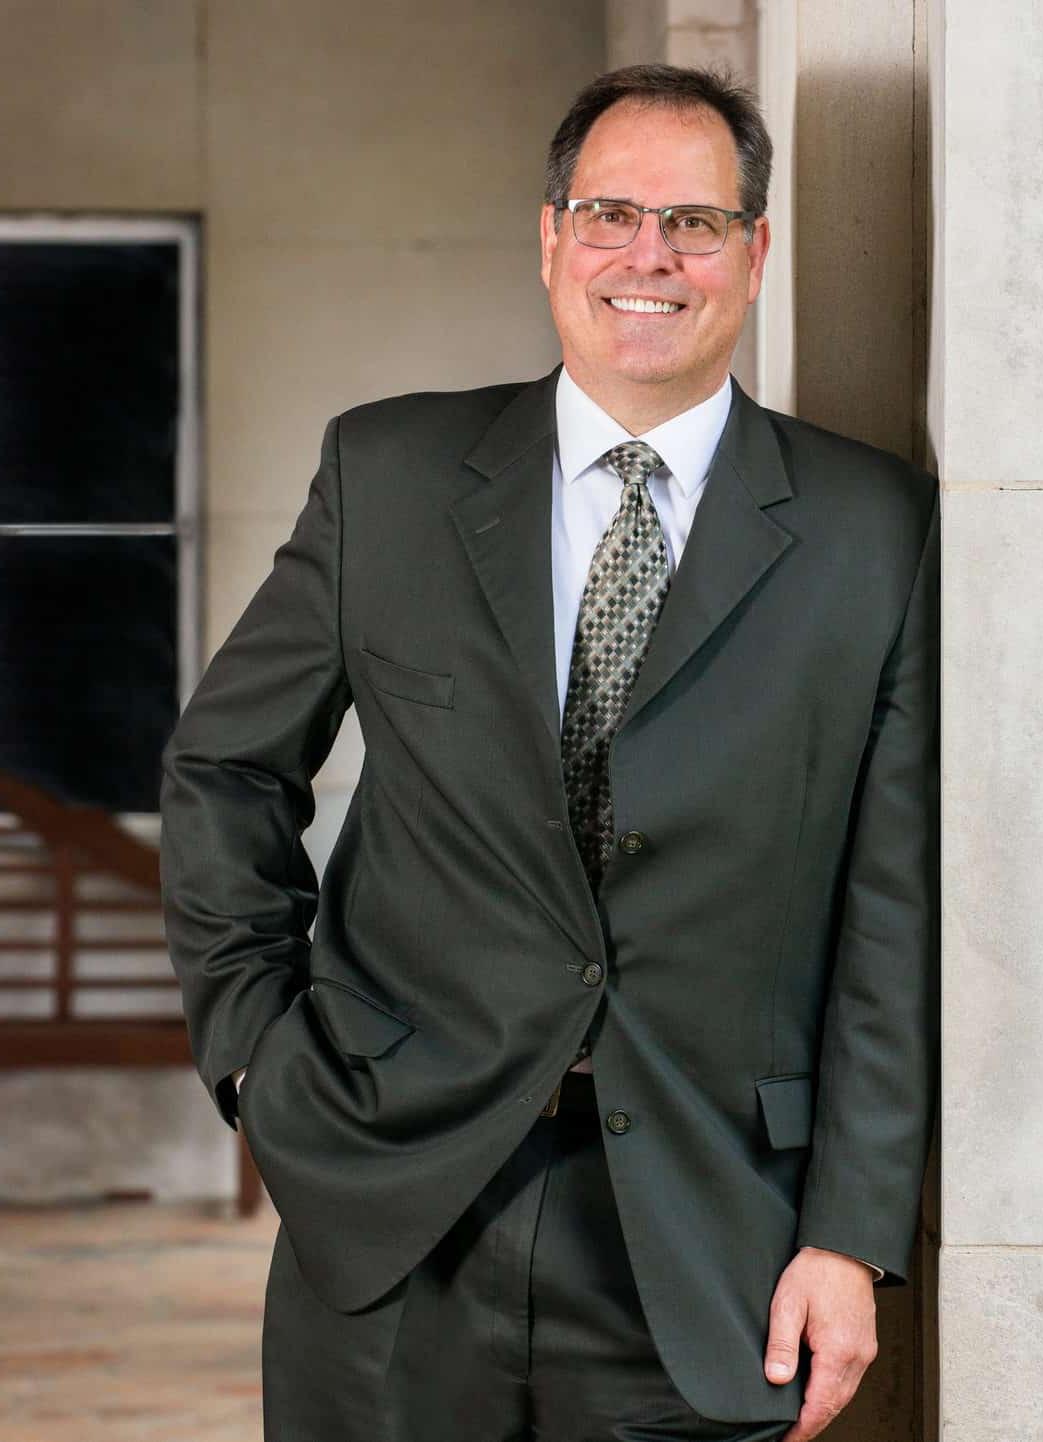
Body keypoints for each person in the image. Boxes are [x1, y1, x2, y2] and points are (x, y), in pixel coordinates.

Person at [159, 62, 938, 1442]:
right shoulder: (387, 477)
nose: (650, 256)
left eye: (694, 223)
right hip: (394, 1209)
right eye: (610, 212)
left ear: (756, 254)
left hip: (713, 1245)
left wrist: (853, 1234)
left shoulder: (875, 532)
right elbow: (227, 770)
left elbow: (894, 909)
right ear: (549, 238)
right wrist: (254, 1061)